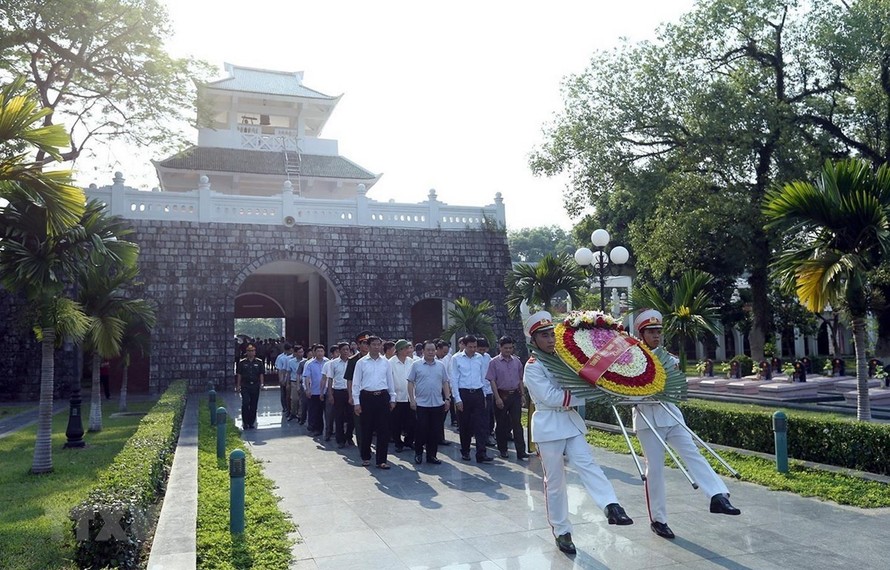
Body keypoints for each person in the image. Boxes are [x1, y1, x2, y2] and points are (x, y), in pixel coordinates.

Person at [524, 311, 633, 555]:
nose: (551, 339)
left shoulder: (564, 358)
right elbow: (551, 397)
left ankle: (610, 505)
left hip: (570, 422)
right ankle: (562, 531)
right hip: (549, 425)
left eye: (552, 334)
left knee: (587, 463)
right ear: (534, 340)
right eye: (544, 336)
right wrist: (587, 395)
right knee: (555, 482)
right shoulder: (532, 367)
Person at [632, 309, 741, 540]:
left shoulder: (669, 359)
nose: (656, 335)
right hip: (647, 419)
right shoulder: (630, 360)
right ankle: (658, 520)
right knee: (656, 469)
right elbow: (625, 393)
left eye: (658, 331)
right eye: (651, 332)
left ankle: (718, 495)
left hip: (671, 415)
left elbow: (679, 390)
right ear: (641, 334)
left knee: (693, 453)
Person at [352, 336, 397, 469]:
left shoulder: (386, 362)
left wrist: (392, 398)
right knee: (366, 428)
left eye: (379, 344)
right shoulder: (361, 362)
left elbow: (390, 381)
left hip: (382, 396)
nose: (377, 347)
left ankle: (381, 460)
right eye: (374, 344)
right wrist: (356, 402)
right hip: (366, 397)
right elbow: (356, 383)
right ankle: (366, 457)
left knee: (384, 429)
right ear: (368, 346)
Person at [450, 334, 493, 463]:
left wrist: (484, 395)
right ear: (464, 345)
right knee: (465, 425)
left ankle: (481, 453)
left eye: (475, 346)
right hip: (464, 394)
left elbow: (483, 377)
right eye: (470, 347)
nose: (473, 349)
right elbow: (454, 379)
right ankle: (465, 450)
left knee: (481, 424)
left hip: (478, 393)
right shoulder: (456, 358)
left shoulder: (479, 358)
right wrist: (457, 399)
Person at [408, 340, 451, 465]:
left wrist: (447, 398)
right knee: (421, 430)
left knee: (435, 431)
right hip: (421, 404)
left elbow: (445, 382)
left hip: (437, 403)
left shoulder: (440, 365)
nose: (431, 352)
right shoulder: (416, 365)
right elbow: (410, 382)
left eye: (433, 350)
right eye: (428, 350)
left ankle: (432, 455)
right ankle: (419, 453)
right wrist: (412, 399)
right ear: (423, 351)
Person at [486, 335, 528, 460]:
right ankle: (503, 449)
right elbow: (492, 381)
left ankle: (521, 451)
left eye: (510, 348)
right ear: (500, 347)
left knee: (517, 423)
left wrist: (522, 395)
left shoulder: (517, 361)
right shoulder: (493, 362)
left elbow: (520, 379)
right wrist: (497, 398)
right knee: (501, 424)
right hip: (501, 394)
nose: (508, 350)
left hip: (515, 394)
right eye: (506, 348)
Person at [389, 339, 416, 452]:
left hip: (410, 397)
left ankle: (409, 442)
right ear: (399, 350)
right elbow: (389, 380)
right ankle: (398, 443)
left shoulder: (411, 362)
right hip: (397, 397)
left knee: (412, 422)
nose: (407, 350)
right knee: (396, 423)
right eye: (405, 348)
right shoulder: (391, 362)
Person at [235, 344, 264, 429]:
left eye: (252, 351)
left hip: (255, 385)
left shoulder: (259, 362)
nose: (251, 353)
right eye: (249, 351)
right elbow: (239, 374)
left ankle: (251, 422)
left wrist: (262, 384)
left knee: (253, 405)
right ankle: (245, 422)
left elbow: (261, 374)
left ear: (255, 352)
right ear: (246, 352)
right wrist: (238, 385)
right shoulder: (242, 362)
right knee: (245, 403)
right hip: (245, 385)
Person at [302, 344, 328, 437]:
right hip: (314, 391)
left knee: (328, 412)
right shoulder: (309, 363)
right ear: (314, 352)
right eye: (318, 351)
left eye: (321, 351)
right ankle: (317, 429)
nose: (320, 353)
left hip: (326, 391)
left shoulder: (328, 362)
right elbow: (307, 377)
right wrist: (307, 389)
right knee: (316, 412)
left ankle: (329, 430)